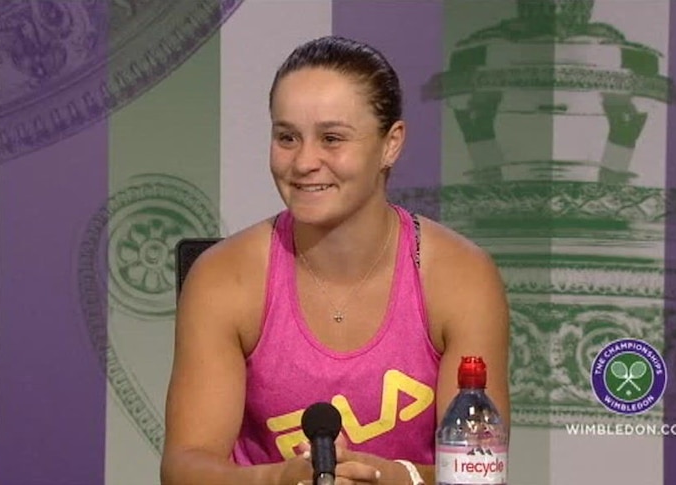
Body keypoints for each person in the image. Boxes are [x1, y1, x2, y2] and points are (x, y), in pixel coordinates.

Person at [160, 35, 510, 485]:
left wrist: (386, 477)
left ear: (391, 144)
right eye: (287, 137)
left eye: (331, 138)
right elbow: (185, 467)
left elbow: (480, 473)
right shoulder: (224, 277)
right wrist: (281, 480)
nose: (304, 161)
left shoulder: (461, 278)